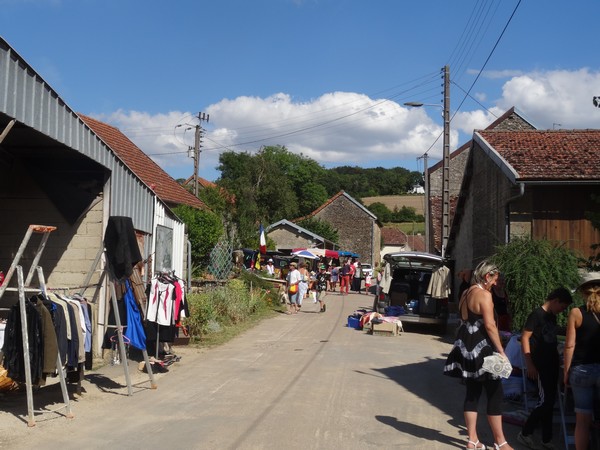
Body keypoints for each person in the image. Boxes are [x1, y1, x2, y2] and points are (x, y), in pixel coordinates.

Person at [444, 260, 513, 450]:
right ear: (487, 276)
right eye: (494, 279)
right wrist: (501, 351)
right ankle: (500, 442)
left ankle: (472, 440)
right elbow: (490, 326)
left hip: (465, 346)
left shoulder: (466, 293)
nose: (495, 283)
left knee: (472, 393)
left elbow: (464, 318)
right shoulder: (484, 295)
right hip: (483, 349)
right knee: (495, 393)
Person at [518, 288, 573, 450]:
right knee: (545, 401)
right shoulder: (536, 315)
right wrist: (529, 364)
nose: (561, 311)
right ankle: (525, 433)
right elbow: (525, 338)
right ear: (555, 300)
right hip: (539, 365)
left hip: (552, 364)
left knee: (550, 402)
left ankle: (546, 438)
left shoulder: (552, 317)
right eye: (562, 307)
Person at [563, 272, 600, 450]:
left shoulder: (576, 313)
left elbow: (569, 346)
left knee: (582, 421)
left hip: (582, 369)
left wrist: (566, 372)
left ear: (583, 292)